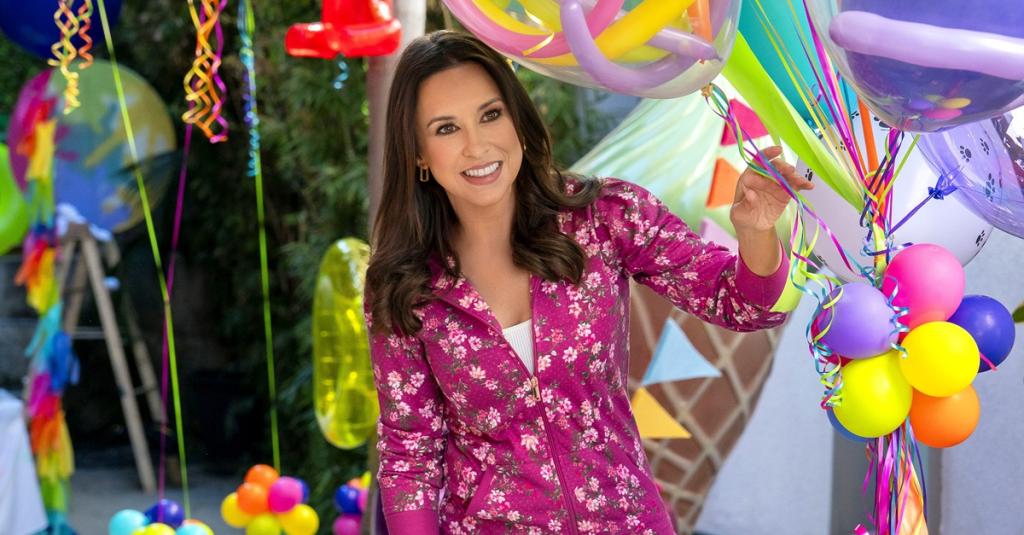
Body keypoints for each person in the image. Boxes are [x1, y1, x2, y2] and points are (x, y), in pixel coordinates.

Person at [365, 30, 812, 535]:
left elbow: (746, 307)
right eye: (446, 128)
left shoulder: (601, 218)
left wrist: (755, 232)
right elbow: (409, 460)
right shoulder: (405, 286)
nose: (477, 145)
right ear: (419, 154)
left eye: (490, 114)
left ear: (517, 120)